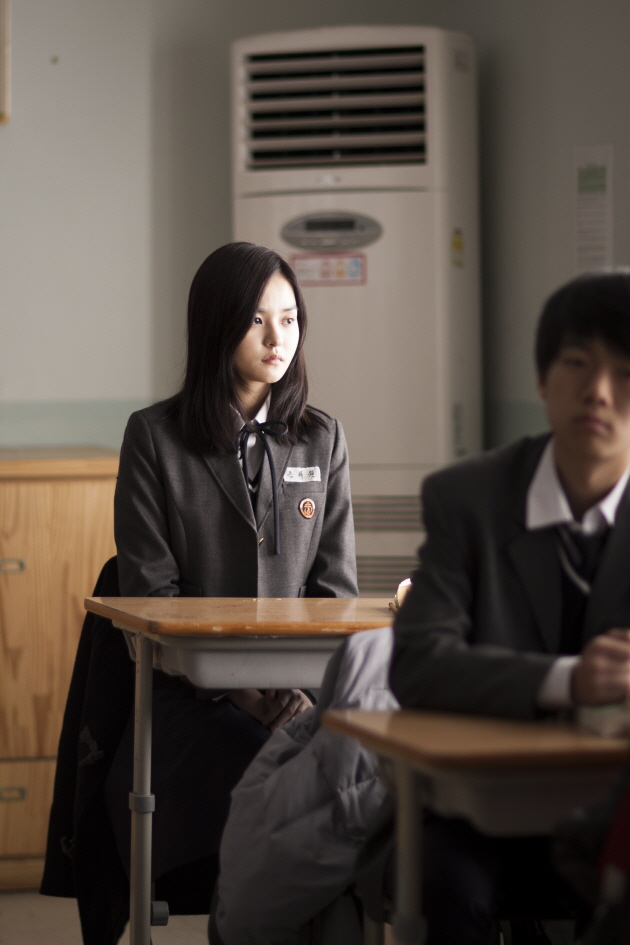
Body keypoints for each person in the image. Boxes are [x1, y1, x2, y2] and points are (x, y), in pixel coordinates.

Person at [105, 242, 357, 899]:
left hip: (300, 693)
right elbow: (152, 600)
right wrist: (250, 696)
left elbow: (336, 595)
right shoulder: (154, 438)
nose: (278, 338)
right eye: (256, 320)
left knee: (366, 770)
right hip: (194, 696)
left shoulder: (323, 438)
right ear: (216, 325)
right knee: (281, 773)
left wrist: (295, 696)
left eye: (289, 318)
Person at [390, 271, 630, 945]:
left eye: (625, 373)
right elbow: (418, 663)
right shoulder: (468, 499)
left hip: (619, 805)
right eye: (578, 363)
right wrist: (569, 680)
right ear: (542, 379)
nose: (599, 391)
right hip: (481, 808)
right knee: (443, 885)